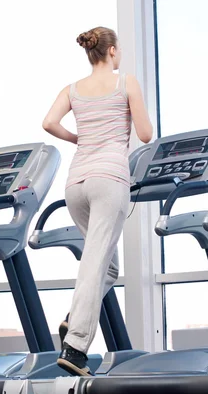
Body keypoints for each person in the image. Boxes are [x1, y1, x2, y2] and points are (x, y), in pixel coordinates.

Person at [42, 26, 153, 376]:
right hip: (109, 180)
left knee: (106, 267)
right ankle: (75, 347)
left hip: (76, 184)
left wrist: (79, 138)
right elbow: (146, 134)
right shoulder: (125, 83)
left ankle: (76, 316)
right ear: (112, 51)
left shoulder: (72, 89)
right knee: (94, 263)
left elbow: (48, 123)